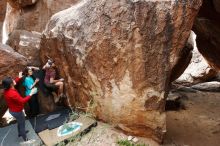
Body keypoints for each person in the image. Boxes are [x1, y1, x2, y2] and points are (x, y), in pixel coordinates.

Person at [2, 76, 37, 141]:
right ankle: (25, 139)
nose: (15, 80)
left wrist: (19, 77)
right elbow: (22, 100)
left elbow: (15, 81)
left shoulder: (6, 90)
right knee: (22, 124)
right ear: (11, 84)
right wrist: (31, 94)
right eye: (13, 80)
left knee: (19, 122)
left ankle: (20, 133)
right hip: (17, 111)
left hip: (13, 110)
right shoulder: (12, 93)